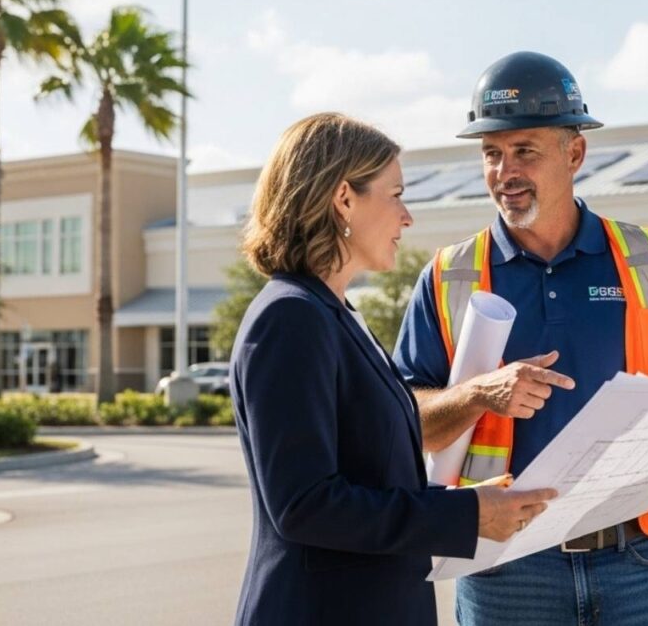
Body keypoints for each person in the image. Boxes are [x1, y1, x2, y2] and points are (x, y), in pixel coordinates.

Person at [393, 52, 648, 625]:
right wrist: (478, 394)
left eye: (524, 151)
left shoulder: (645, 258)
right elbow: (402, 423)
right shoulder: (451, 276)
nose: (505, 172)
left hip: (637, 564)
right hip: (504, 571)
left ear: (574, 153)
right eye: (492, 154)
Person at [230, 112, 556, 626]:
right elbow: (305, 505)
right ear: (344, 199)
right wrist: (464, 517)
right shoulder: (290, 317)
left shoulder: (333, 313)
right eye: (396, 194)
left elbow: (369, 478)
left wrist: (465, 504)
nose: (407, 218)